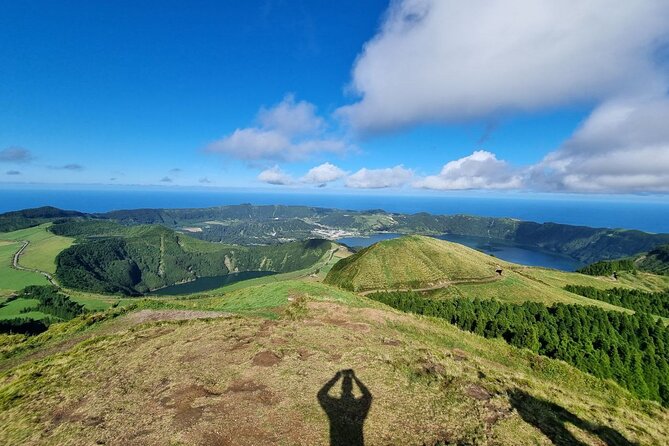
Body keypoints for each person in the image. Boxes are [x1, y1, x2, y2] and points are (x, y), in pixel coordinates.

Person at [317, 369, 372, 446]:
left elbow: (321, 395)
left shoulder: (334, 407)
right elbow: (368, 397)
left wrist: (336, 378)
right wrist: (355, 378)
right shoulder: (358, 407)